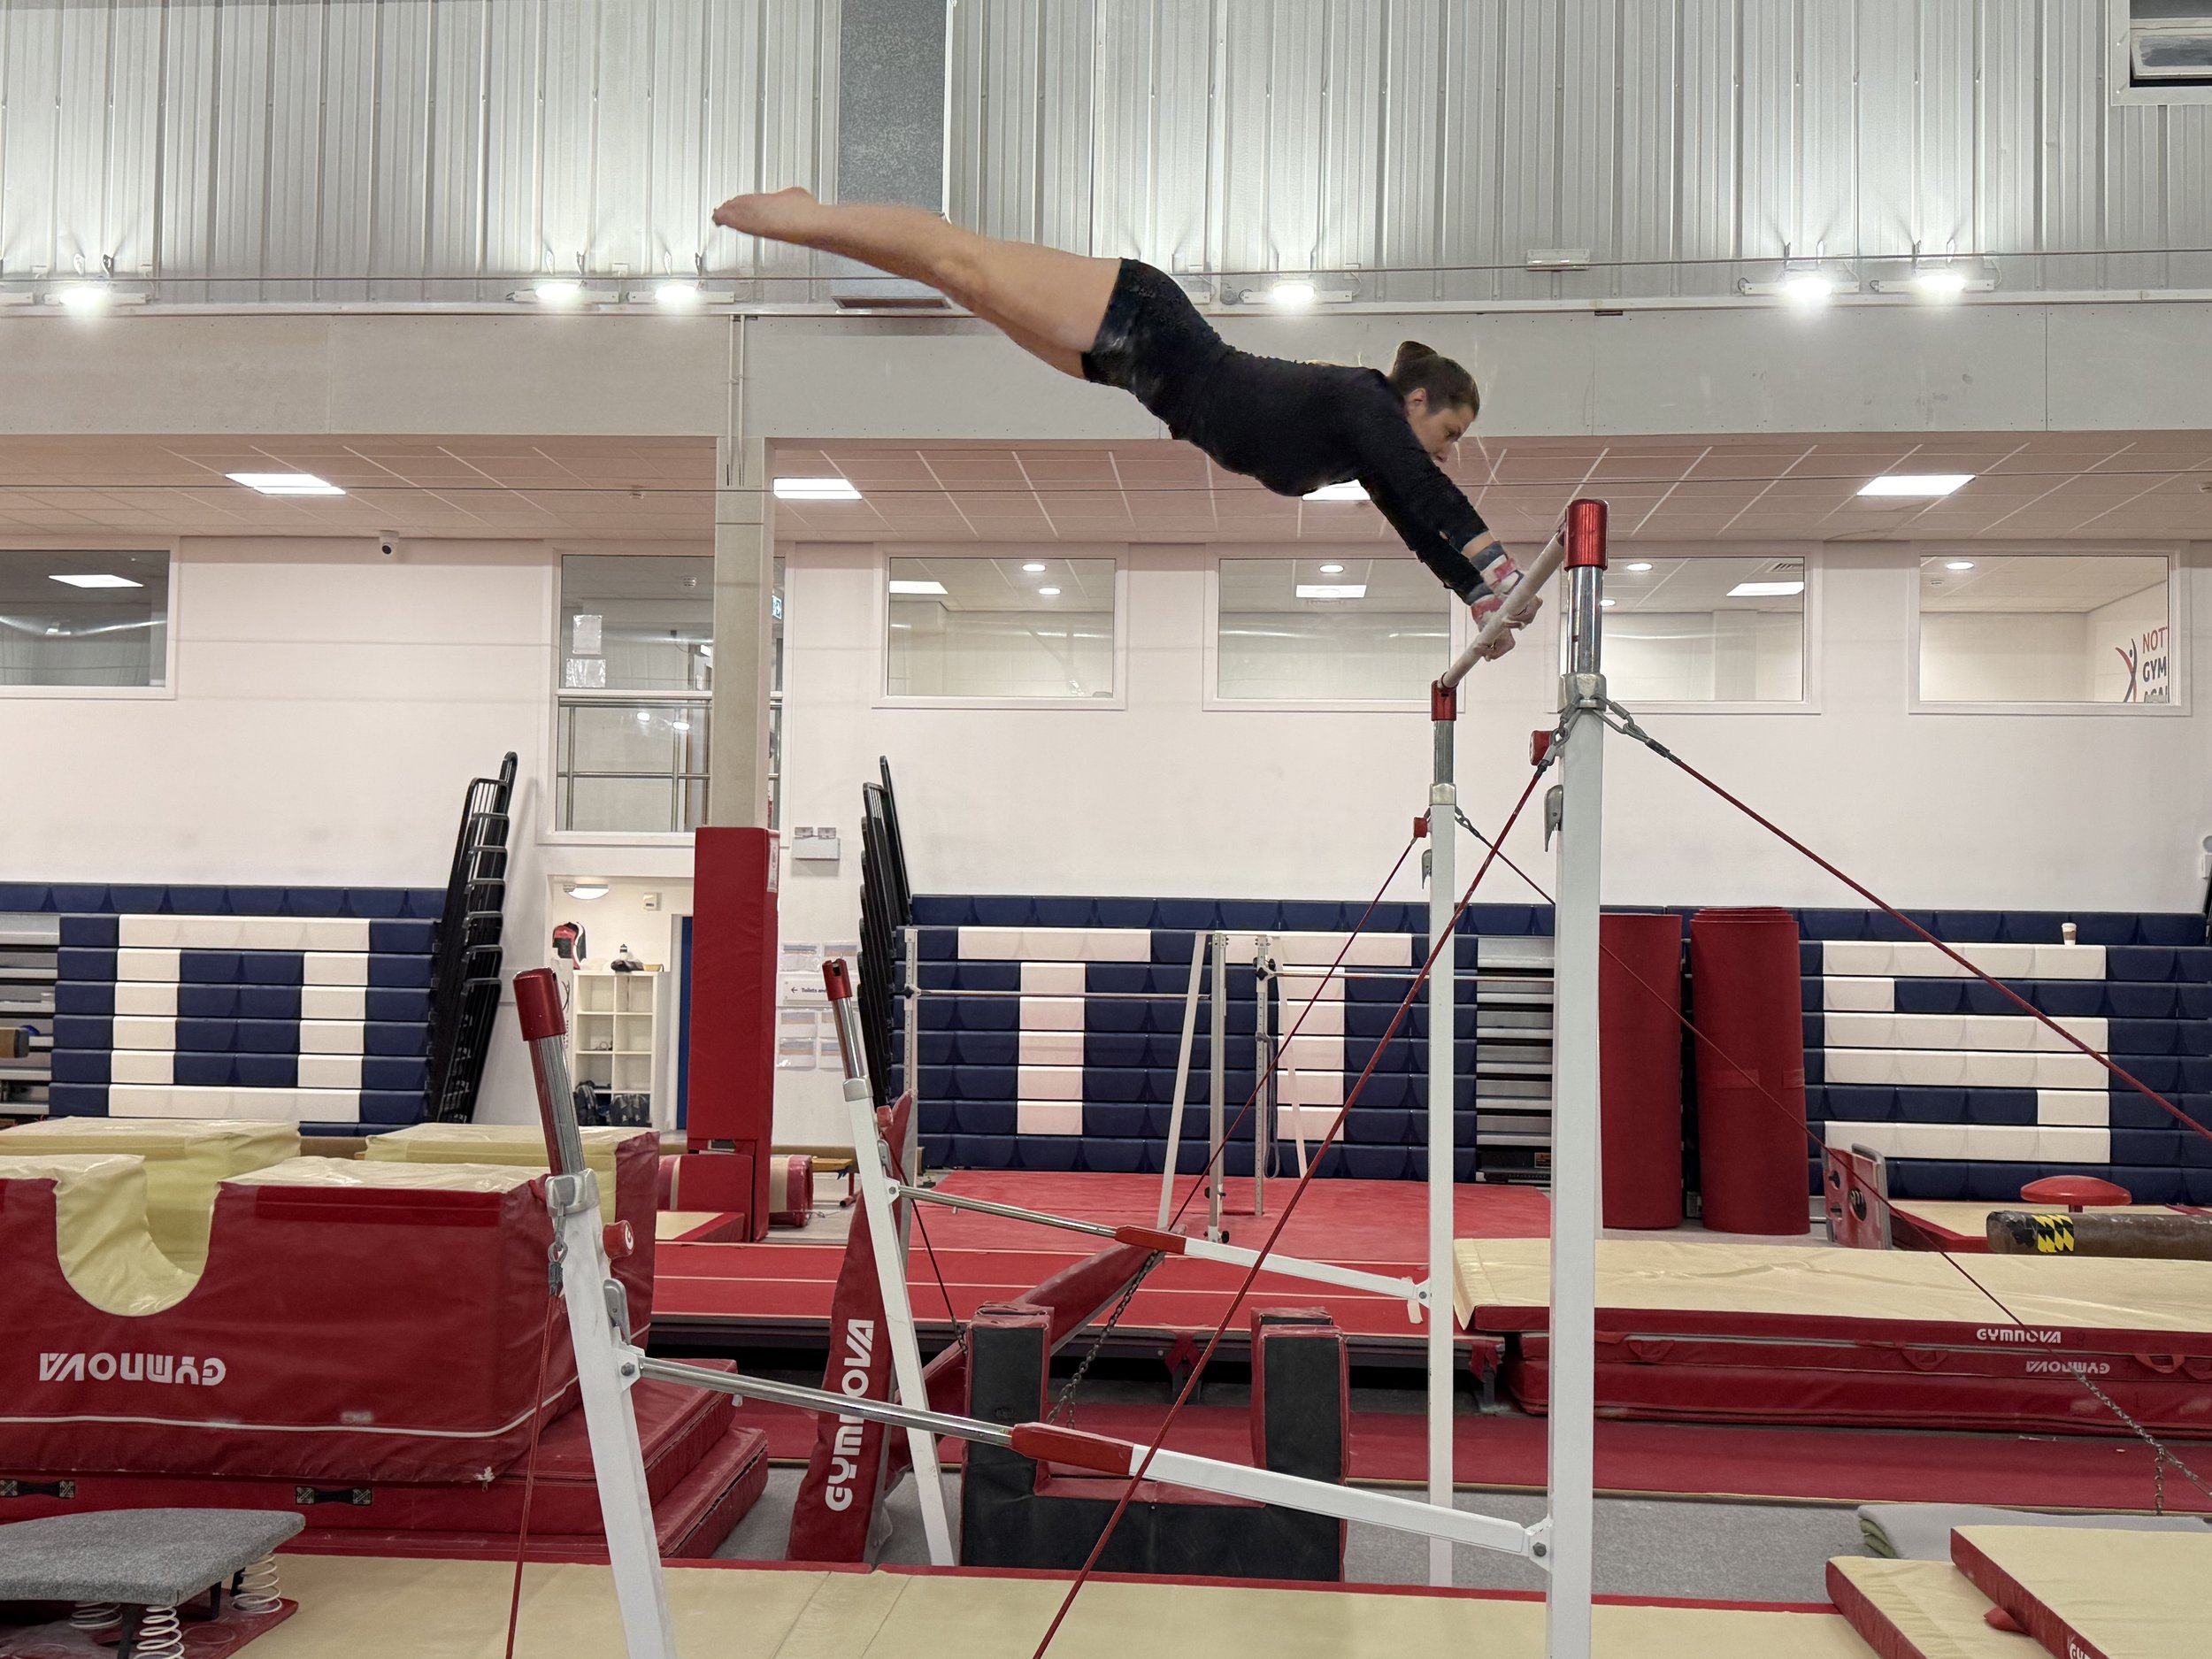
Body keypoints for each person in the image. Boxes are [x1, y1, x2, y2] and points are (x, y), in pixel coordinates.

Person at [712, 188, 1536, 655]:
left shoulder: (1366, 449)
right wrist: (1496, 566)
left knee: (961, 287)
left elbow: (1412, 514)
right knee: (961, 259)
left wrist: (1471, 593)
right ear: (1417, 399)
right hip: (1147, 322)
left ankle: (821, 225)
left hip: (1134, 372)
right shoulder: (1365, 398)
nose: (1448, 452)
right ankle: (807, 215)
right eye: (1451, 431)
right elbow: (1425, 489)